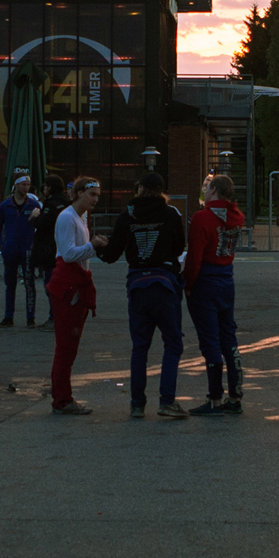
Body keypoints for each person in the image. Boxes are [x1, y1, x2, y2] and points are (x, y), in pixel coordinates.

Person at [98, 171, 189, 419]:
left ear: (139, 189)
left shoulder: (127, 216)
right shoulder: (170, 214)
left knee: (140, 348)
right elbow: (179, 247)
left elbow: (111, 254)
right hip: (164, 284)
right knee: (172, 343)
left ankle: (137, 404)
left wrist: (99, 247)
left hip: (137, 284)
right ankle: (167, 402)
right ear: (161, 190)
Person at [183, 173, 245, 415]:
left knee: (209, 340)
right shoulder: (237, 217)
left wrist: (188, 283)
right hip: (226, 278)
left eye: (207, 187)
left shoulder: (202, 218)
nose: (204, 191)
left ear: (215, 191)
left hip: (205, 281)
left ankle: (215, 398)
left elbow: (194, 257)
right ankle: (235, 395)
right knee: (228, 337)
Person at [46, 178, 104, 414]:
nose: (95, 199)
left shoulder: (78, 218)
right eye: (91, 194)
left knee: (68, 347)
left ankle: (63, 397)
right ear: (78, 193)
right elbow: (69, 254)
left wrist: (93, 246)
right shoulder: (68, 217)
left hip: (73, 285)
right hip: (69, 287)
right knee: (66, 347)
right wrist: (94, 245)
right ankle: (62, 399)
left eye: (97, 195)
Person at [0, 174, 45, 326]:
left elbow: (41, 226)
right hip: (10, 249)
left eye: (28, 184)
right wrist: (1, 243)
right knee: (10, 284)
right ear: (16, 185)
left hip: (28, 249)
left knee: (29, 283)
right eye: (23, 184)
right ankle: (8, 316)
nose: (26, 187)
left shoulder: (34, 205)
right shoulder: (5, 205)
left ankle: (30, 317)